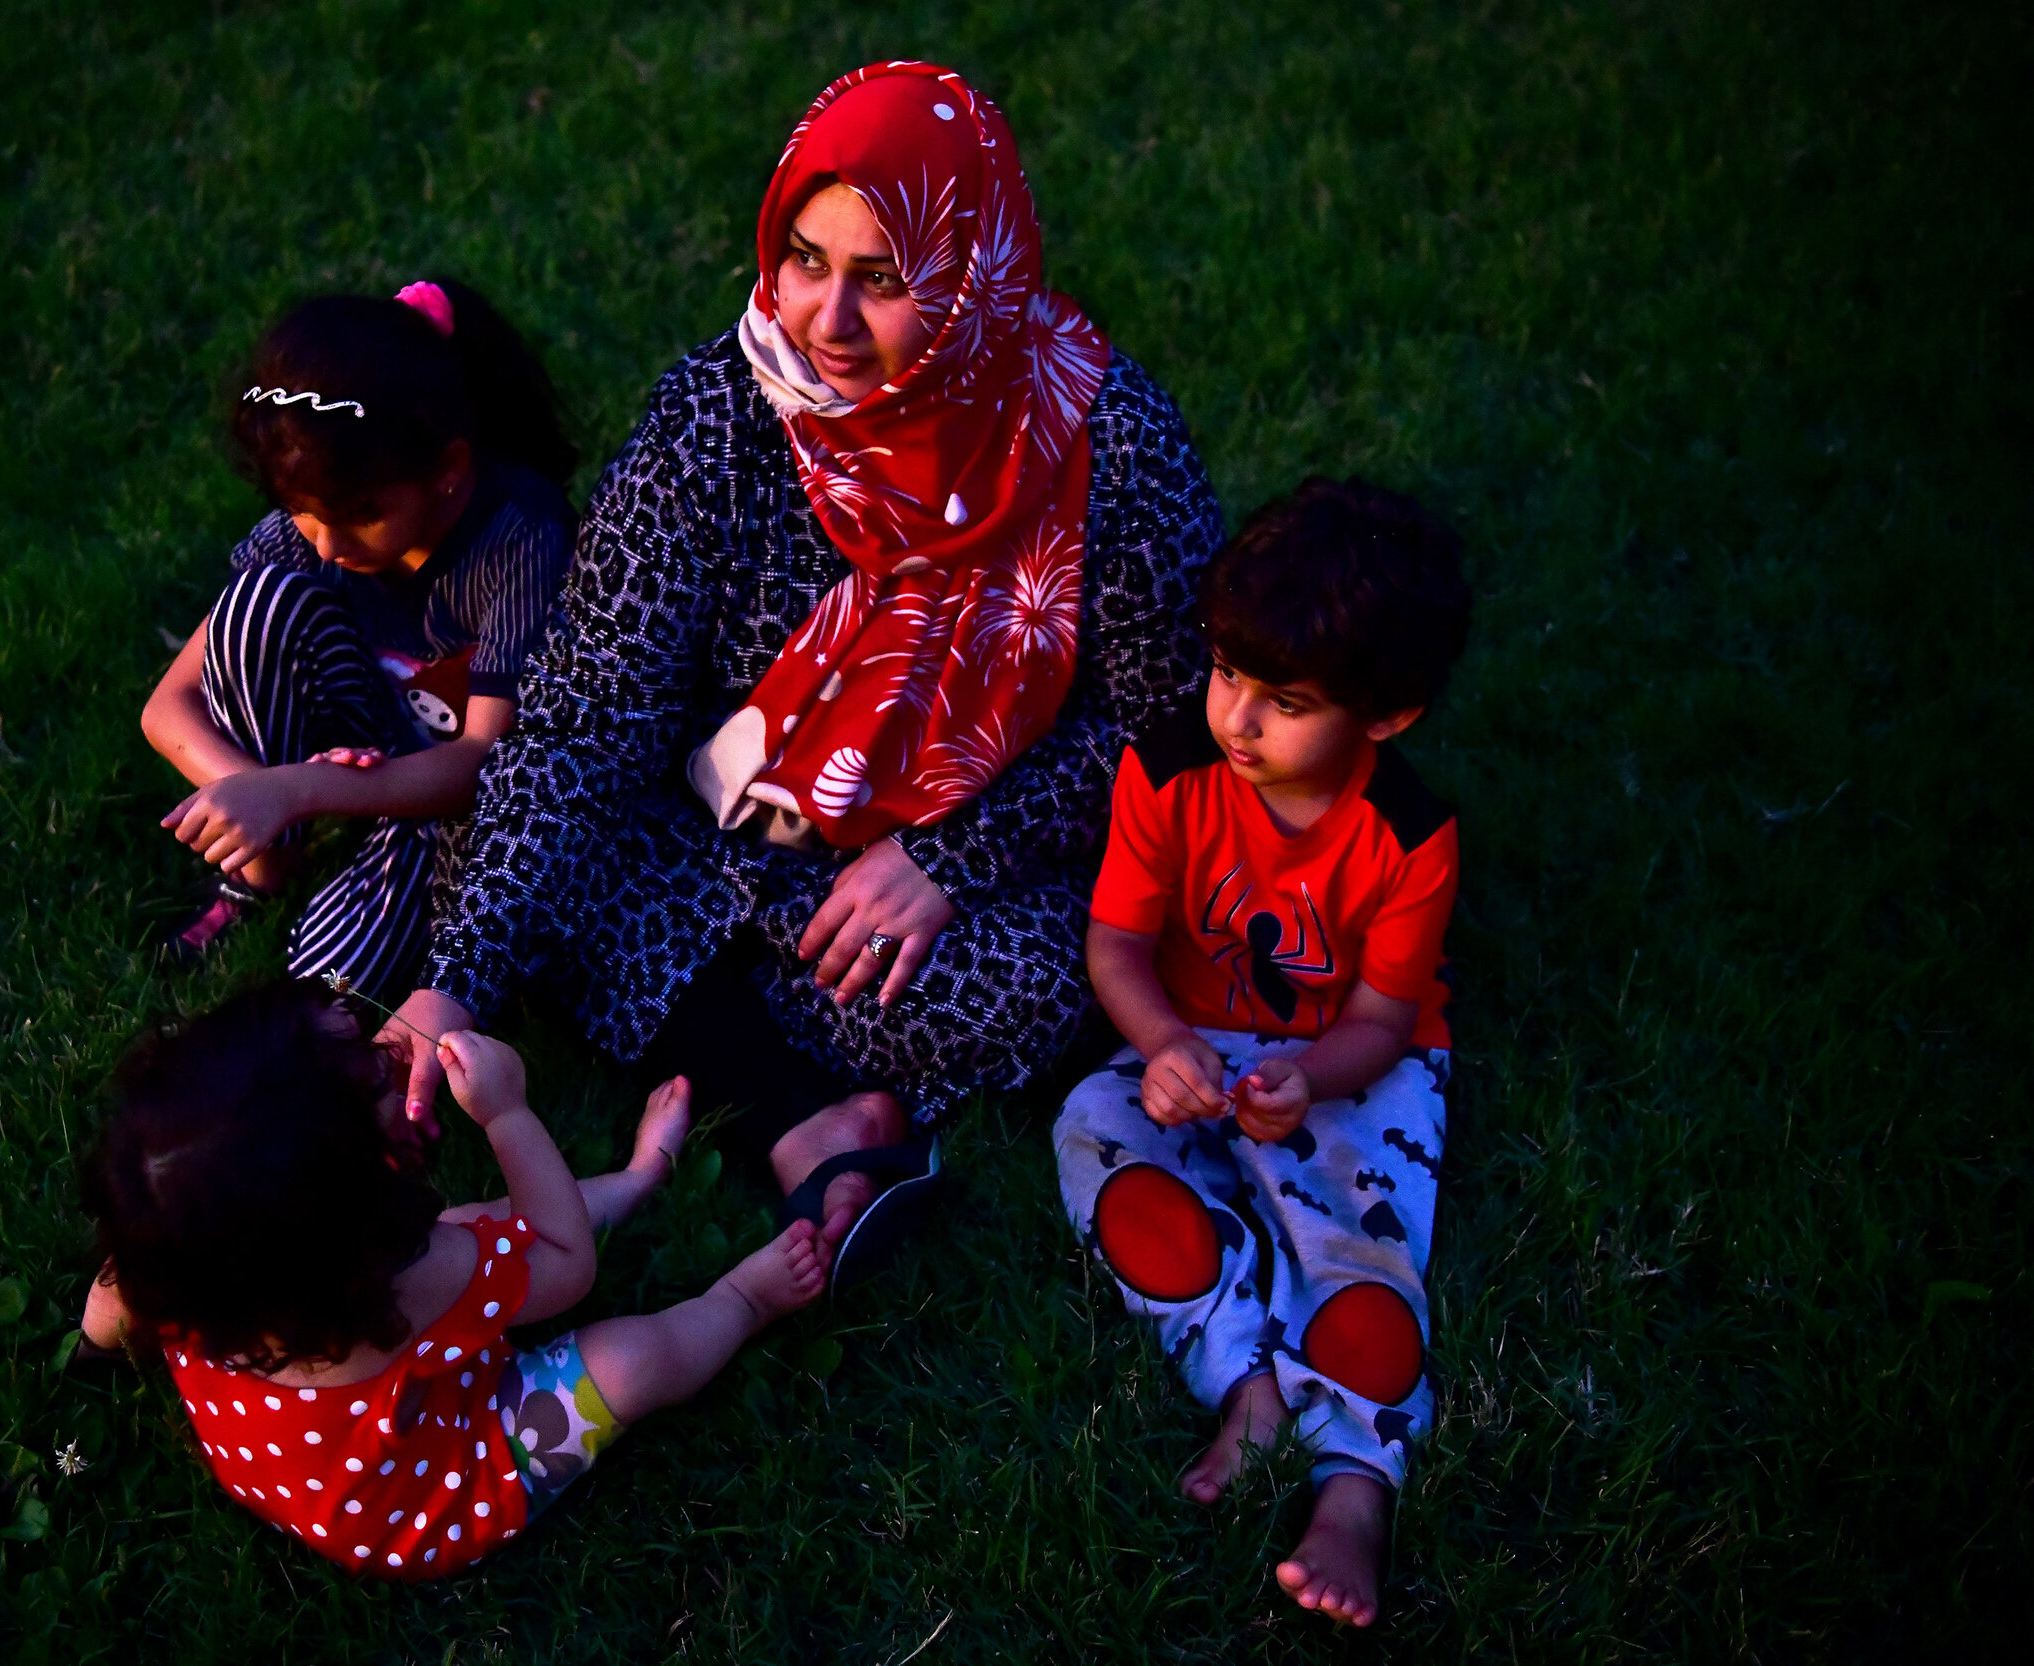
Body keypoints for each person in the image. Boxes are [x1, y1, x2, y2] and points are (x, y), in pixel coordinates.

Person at [375, 64, 1223, 1256]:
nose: (823, 322)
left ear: (969, 273)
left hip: (964, 859)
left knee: (1030, 981)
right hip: (727, 813)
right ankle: (806, 1112)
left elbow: (1176, 724)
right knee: (508, 813)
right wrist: (453, 984)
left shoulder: (1105, 439)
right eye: (805, 261)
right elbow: (586, 714)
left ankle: (746, 1055)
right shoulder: (718, 413)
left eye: (880, 281)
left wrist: (948, 856)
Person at [1051, 476, 1472, 1626]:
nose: (1235, 716)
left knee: (1354, 1236)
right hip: (1191, 1037)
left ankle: (1353, 1484)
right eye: (1228, 673)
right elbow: (1117, 945)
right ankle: (1239, 1375)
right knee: (1095, 1130)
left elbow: (1386, 1019)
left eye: (1283, 700)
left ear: (1383, 719)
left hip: (1343, 1060)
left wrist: (1312, 1078)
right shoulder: (1170, 766)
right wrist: (1164, 1043)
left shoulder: (1407, 833)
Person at [76, 977, 846, 1580]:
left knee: (482, 1227)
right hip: (422, 1505)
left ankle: (635, 1183)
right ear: (344, 1193)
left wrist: (96, 1356)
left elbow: (108, 1314)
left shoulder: (176, 1251)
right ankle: (741, 1298)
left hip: (274, 1465)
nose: (382, 1047)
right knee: (627, 1360)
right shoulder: (416, 1279)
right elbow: (565, 1263)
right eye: (373, 1071)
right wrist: (506, 1112)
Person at [141, 281, 576, 993]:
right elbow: (167, 707)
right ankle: (263, 870)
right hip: (349, 743)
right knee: (257, 602)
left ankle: (329, 899)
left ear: (448, 473)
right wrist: (268, 792)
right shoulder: (320, 517)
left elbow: (479, 765)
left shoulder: (519, 540)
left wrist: (305, 789)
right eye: (302, 512)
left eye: (362, 515)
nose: (328, 542)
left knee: (328, 981)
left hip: (448, 800)